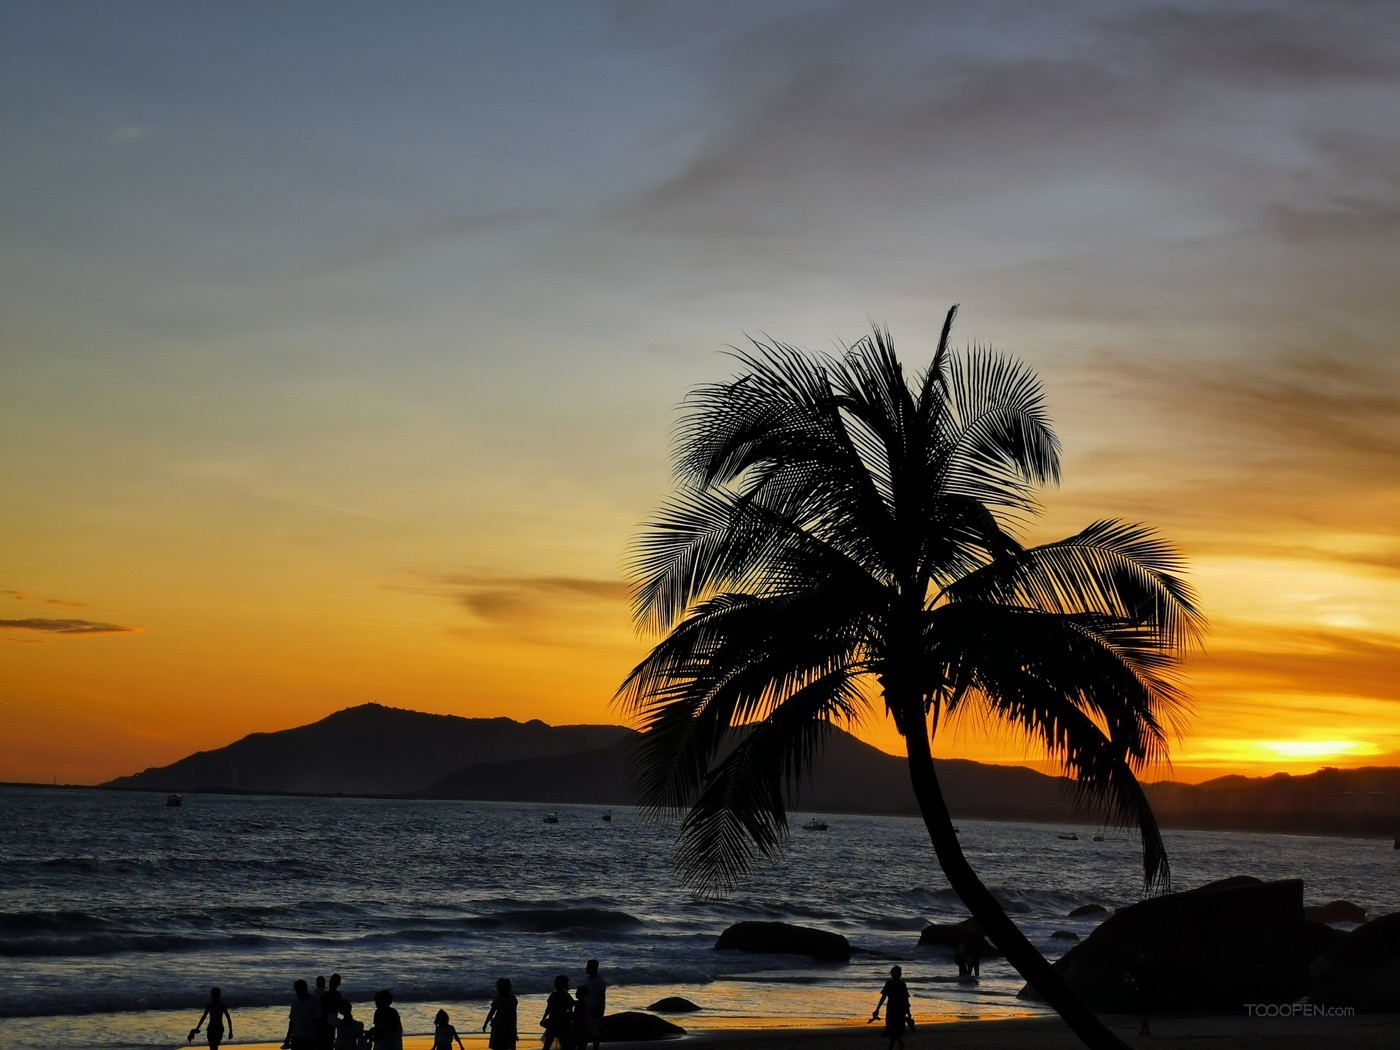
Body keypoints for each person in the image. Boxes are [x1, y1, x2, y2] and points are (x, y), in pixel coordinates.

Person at [869, 965, 912, 1050]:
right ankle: (899, 1044)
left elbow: (905, 999)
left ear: (899, 974)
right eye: (893, 973)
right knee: (892, 1028)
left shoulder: (902, 985)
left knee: (896, 1029)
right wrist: (877, 1009)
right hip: (891, 1008)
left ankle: (892, 1047)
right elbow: (883, 996)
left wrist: (908, 1011)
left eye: (896, 973)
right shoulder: (888, 983)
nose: (894, 974)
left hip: (900, 1009)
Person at [284, 979, 322, 1050]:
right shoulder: (295, 1001)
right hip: (296, 1037)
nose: (298, 992)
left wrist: (318, 1039)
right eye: (297, 990)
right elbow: (292, 1021)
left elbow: (318, 1022)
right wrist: (288, 1037)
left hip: (309, 1038)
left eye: (300, 990)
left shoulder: (314, 1001)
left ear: (306, 989)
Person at [483, 977, 518, 1050]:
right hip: (504, 1025)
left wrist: (486, 1023)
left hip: (500, 1026)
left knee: (498, 1046)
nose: (496, 988)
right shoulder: (512, 998)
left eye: (498, 987)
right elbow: (514, 1016)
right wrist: (514, 1030)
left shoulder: (500, 998)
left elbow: (492, 1011)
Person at [541, 975, 574, 1050]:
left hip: (554, 1019)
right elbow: (570, 1009)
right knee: (563, 1042)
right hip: (564, 1020)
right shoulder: (567, 995)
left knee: (548, 1042)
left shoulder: (554, 995)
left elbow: (548, 1008)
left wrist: (543, 1019)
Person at [582, 959, 606, 1050]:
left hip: (595, 1010)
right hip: (587, 1009)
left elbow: (601, 997)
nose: (586, 968)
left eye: (588, 966)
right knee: (585, 1033)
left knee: (595, 1035)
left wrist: (599, 1010)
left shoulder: (599, 981)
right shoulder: (588, 980)